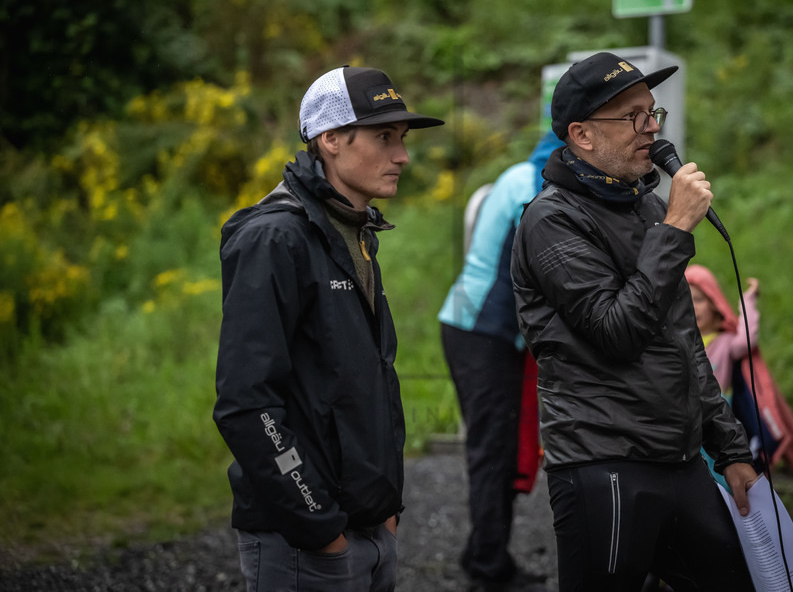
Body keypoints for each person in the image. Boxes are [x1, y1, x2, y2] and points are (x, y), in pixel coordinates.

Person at [510, 51, 757, 591]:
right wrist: (674, 230)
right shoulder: (550, 219)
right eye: (632, 117)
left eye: (653, 113)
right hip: (604, 461)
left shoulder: (644, 207)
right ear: (582, 135)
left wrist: (731, 449)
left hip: (681, 458)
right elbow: (617, 333)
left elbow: (685, 342)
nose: (651, 128)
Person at [213, 65, 444, 592]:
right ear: (331, 139)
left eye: (402, 139)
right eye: (384, 137)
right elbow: (246, 403)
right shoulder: (275, 239)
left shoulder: (355, 232)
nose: (402, 155)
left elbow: (367, 382)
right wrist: (319, 528)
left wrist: (384, 512)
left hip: (369, 527)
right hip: (305, 543)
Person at [437, 129, 561, 591]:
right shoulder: (535, 184)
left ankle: (485, 553)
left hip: (478, 327)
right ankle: (488, 567)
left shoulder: (522, 174)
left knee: (503, 445)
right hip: (480, 330)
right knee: (493, 449)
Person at [685, 264, 793, 474]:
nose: (692, 307)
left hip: (717, 423)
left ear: (715, 304)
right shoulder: (679, 342)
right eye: (686, 301)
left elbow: (747, 340)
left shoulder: (725, 343)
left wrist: (748, 302)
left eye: (698, 300)